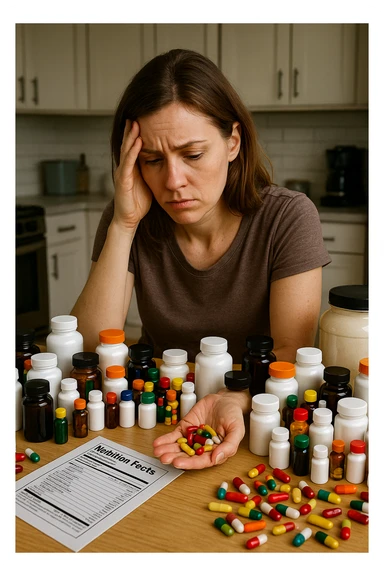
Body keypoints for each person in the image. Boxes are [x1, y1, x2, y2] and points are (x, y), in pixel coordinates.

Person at [71, 48, 331, 470]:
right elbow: (84, 345)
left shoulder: (288, 217)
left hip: (250, 416)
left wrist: (235, 397)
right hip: (152, 412)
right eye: (152, 160)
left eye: (192, 155)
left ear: (232, 142)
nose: (173, 182)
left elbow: (290, 352)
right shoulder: (130, 217)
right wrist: (123, 224)